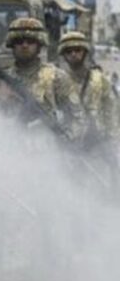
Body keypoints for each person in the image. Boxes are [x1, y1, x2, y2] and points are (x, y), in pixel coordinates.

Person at [0, 18, 86, 142]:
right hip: (10, 150)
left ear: (39, 45)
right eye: (19, 41)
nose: (25, 45)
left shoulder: (56, 77)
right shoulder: (1, 79)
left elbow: (78, 118)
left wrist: (66, 140)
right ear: (11, 45)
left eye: (30, 41)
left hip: (48, 153)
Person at [56, 31, 118, 190]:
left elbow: (112, 111)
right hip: (70, 146)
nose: (74, 54)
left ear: (85, 51)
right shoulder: (58, 81)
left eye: (78, 50)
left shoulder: (99, 79)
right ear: (64, 54)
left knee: (101, 189)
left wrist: (112, 141)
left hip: (98, 145)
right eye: (69, 51)